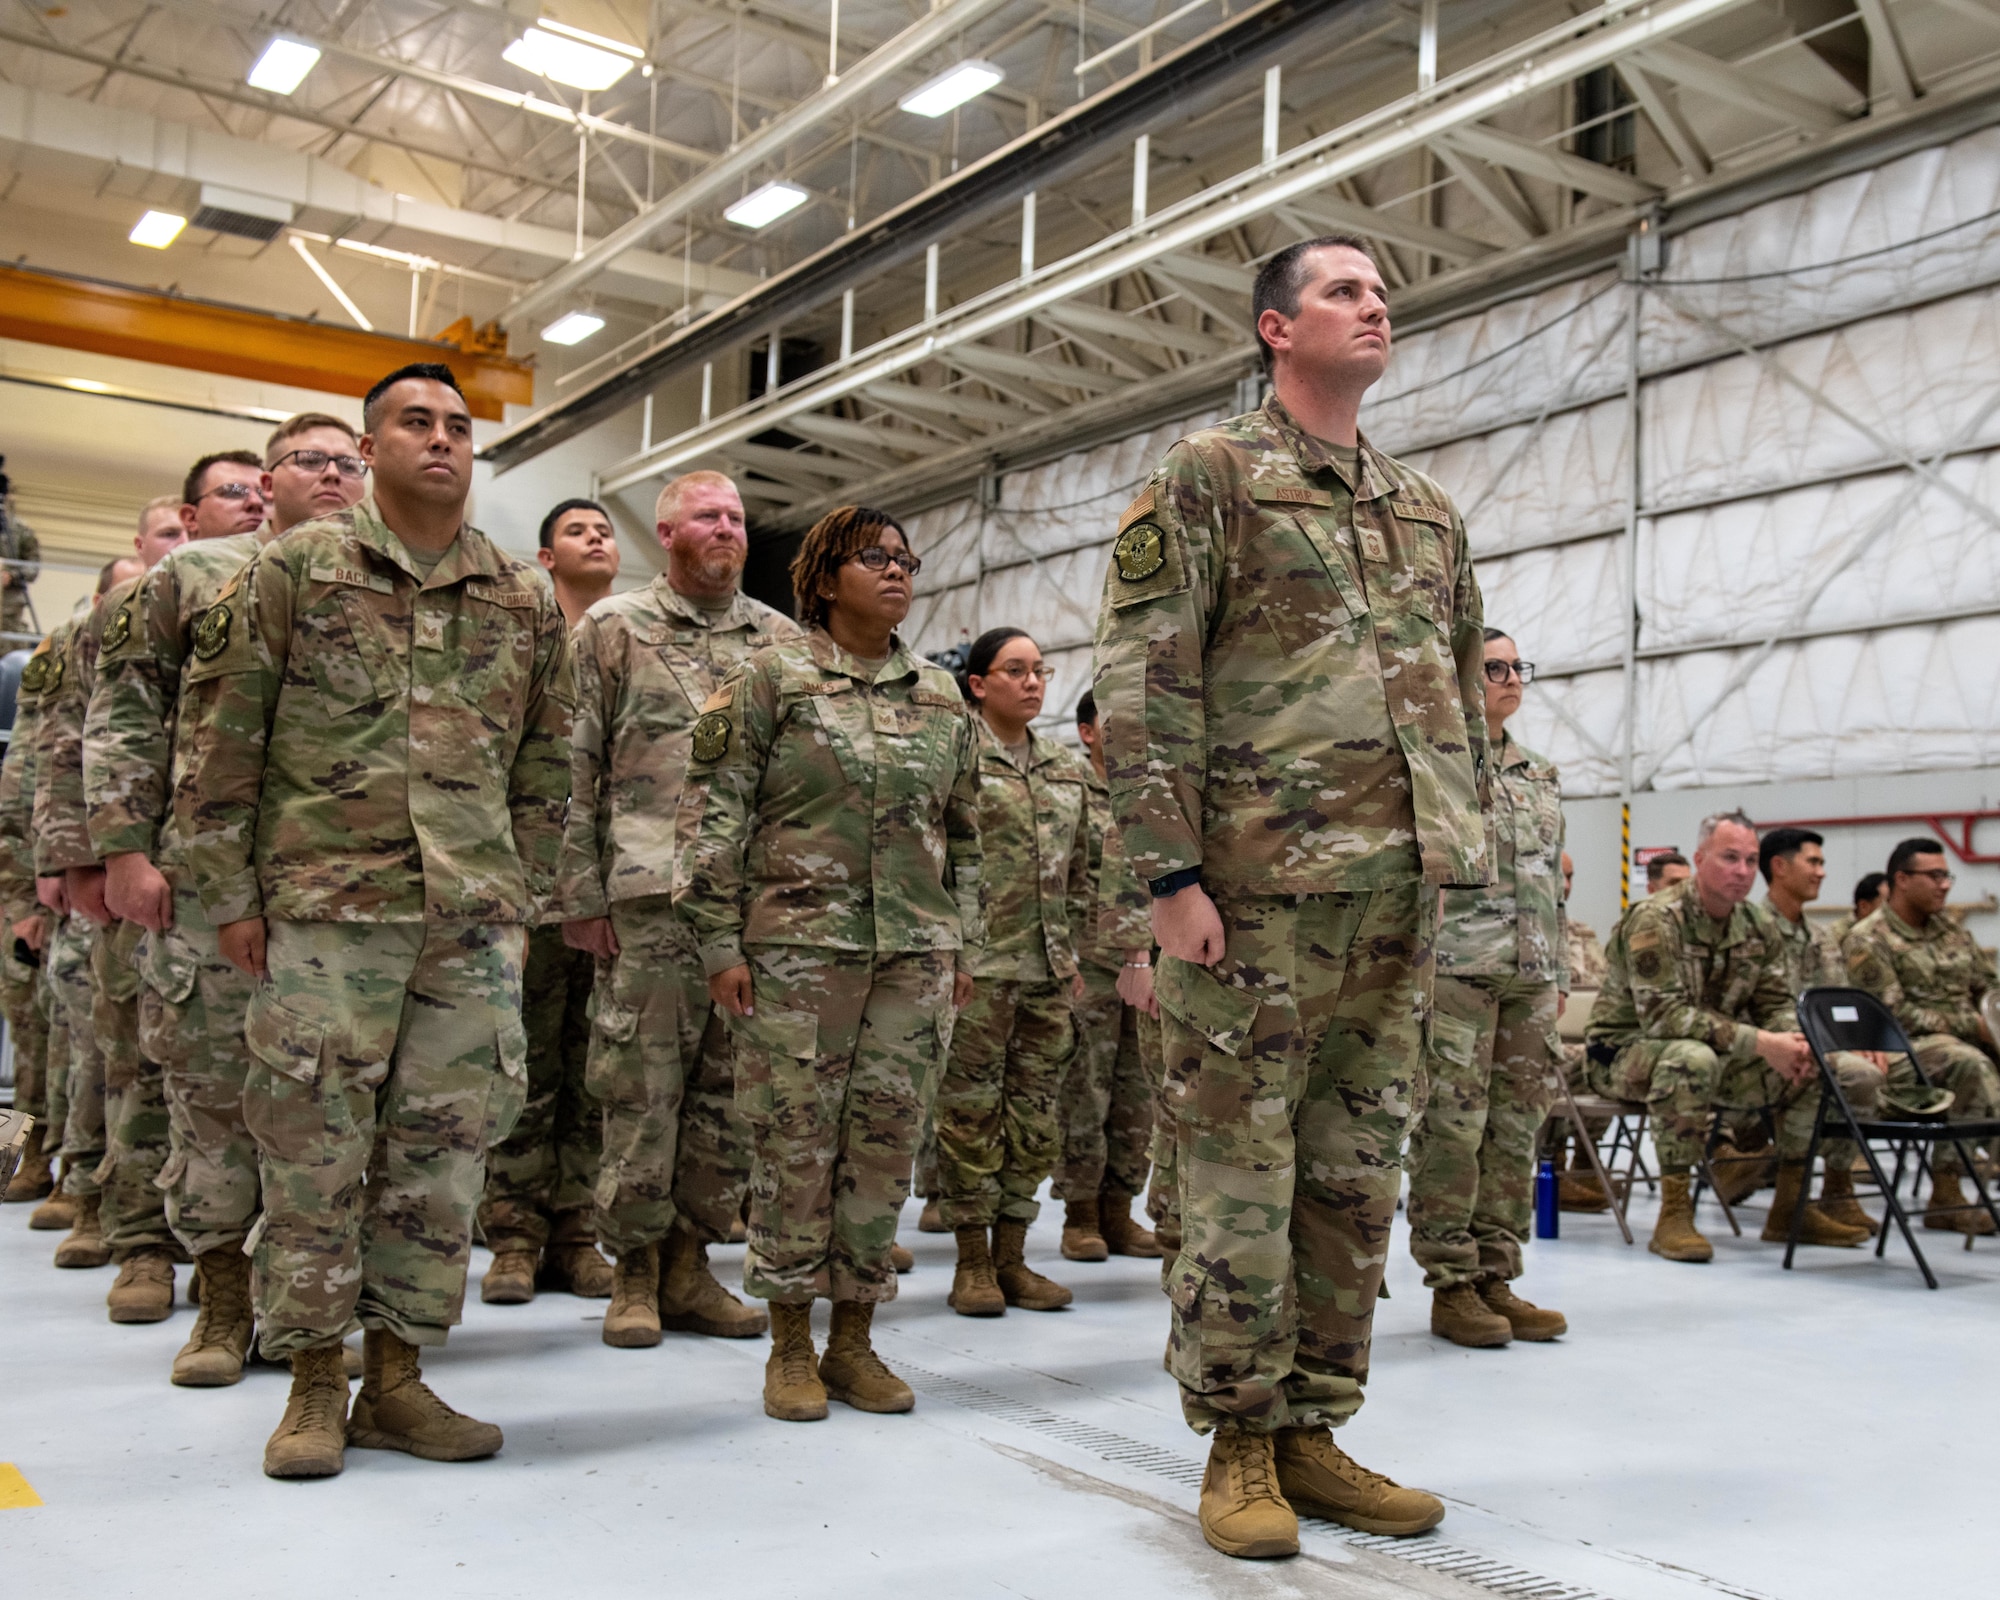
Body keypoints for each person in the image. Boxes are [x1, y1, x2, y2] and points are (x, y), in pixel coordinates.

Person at [1095, 232, 1482, 1559]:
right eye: (1343, 291)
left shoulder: (1425, 510)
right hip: (1249, 901)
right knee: (1237, 1179)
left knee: (1351, 1181)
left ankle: (1316, 1428)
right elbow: (1147, 684)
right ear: (1275, 327)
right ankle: (1239, 1442)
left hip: (1392, 900)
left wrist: (1454, 859)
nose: (1376, 307)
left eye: (1381, 293)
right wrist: (1167, 876)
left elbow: (1457, 709)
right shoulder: (1206, 481)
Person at [176, 363, 572, 1479]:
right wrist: (230, 898)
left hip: (469, 916)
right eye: (415, 423)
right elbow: (224, 737)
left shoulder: (519, 592)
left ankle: (396, 1377)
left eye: (457, 425)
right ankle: (312, 1378)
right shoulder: (294, 569)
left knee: (441, 1154)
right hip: (324, 908)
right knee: (313, 1143)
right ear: (370, 446)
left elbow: (548, 761)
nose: (441, 440)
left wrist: (521, 895)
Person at [675, 505, 982, 1422]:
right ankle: (790, 1344)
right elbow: (713, 814)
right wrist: (720, 943)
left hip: (912, 959)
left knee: (883, 1150)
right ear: (823, 577)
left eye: (905, 559)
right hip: (797, 956)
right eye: (872, 559)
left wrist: (959, 938)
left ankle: (855, 1338)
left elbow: (966, 832)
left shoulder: (939, 694)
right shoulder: (768, 680)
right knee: (794, 1147)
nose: (895, 572)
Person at [88, 418, 365, 1385]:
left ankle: (314, 1311)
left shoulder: (382, 583)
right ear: (265, 481)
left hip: (337, 892)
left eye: (347, 462)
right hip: (204, 883)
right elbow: (123, 711)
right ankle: (218, 1300)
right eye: (308, 462)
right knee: (209, 1094)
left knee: (325, 1108)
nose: (332, 476)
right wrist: (121, 851)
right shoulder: (193, 578)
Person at [556, 472, 801, 1346]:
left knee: (730, 1094)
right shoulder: (614, 629)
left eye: (737, 516)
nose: (727, 529)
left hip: (750, 906)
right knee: (640, 1087)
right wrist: (579, 895)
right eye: (709, 516)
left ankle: (693, 1266)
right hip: (649, 896)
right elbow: (574, 765)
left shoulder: (780, 642)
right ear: (667, 531)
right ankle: (631, 1271)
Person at [36, 489, 198, 1320]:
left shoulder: (266, 592)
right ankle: (134, 1234)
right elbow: (68, 740)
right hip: (132, 864)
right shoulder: (113, 620)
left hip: (221, 870)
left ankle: (215, 1245)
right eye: (166, 530)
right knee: (127, 1054)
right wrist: (69, 859)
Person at [1584, 812, 1875, 1261]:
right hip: (1622, 1053)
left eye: (1749, 860)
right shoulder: (1656, 919)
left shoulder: (1756, 926)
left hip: (1715, 1050)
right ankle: (1674, 1216)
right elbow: (1664, 1017)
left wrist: (1795, 1043)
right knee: (1691, 1058)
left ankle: (1789, 1210)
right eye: (1729, 858)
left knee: (1817, 1063)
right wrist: (1762, 1044)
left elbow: (1775, 1003)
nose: (1741, 871)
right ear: (1700, 859)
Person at [477, 498, 624, 1307]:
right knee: (525, 1066)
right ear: (545, 557)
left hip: (610, 893)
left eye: (605, 529)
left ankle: (576, 1232)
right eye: (577, 530)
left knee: (595, 1069)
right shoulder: (525, 635)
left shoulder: (638, 639)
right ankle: (512, 1233)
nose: (597, 537)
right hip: (534, 887)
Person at [1408, 629, 1567, 1348]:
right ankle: (1451, 1283)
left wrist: (1557, 972)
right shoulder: (1438, 764)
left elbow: (1551, 883)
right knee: (1453, 1130)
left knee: (1514, 1132)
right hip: (1457, 971)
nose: (1509, 678)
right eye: (1493, 667)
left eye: (1515, 667)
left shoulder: (1539, 773)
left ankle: (1498, 1274)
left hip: (1530, 975)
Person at [931, 628, 1091, 1316]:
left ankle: (1013, 1257)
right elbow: (933, 861)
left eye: (1041, 672)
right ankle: (972, 1261)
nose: (1032, 683)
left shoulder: (1063, 767)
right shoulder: (954, 759)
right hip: (979, 968)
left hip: (1047, 971)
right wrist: (949, 953)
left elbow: (1083, 871)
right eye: (1015, 671)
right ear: (977, 684)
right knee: (969, 1115)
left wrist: (1073, 952)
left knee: (1034, 1118)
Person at [1052, 688, 1160, 1262]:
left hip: (1154, 961)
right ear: (1088, 732)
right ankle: (1080, 1215)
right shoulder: (1068, 789)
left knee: (1137, 1091)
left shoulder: (1155, 790)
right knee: (1084, 1091)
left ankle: (1121, 1209)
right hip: (1089, 962)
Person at [1844, 837, 2000, 1234]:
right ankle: (1947, 1192)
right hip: (1906, 1048)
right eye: (1934, 876)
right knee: (1969, 1063)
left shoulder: (1952, 930)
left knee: (1973, 1055)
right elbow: (1892, 1015)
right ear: (1902, 879)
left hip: (1965, 1036)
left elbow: (1988, 987)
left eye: (1946, 875)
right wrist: (1973, 1026)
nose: (1945, 884)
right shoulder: (1868, 938)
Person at [1825, 872, 1888, 950]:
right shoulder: (1834, 935)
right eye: (1887, 903)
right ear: (1863, 906)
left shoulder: (1889, 930)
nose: (1892, 910)